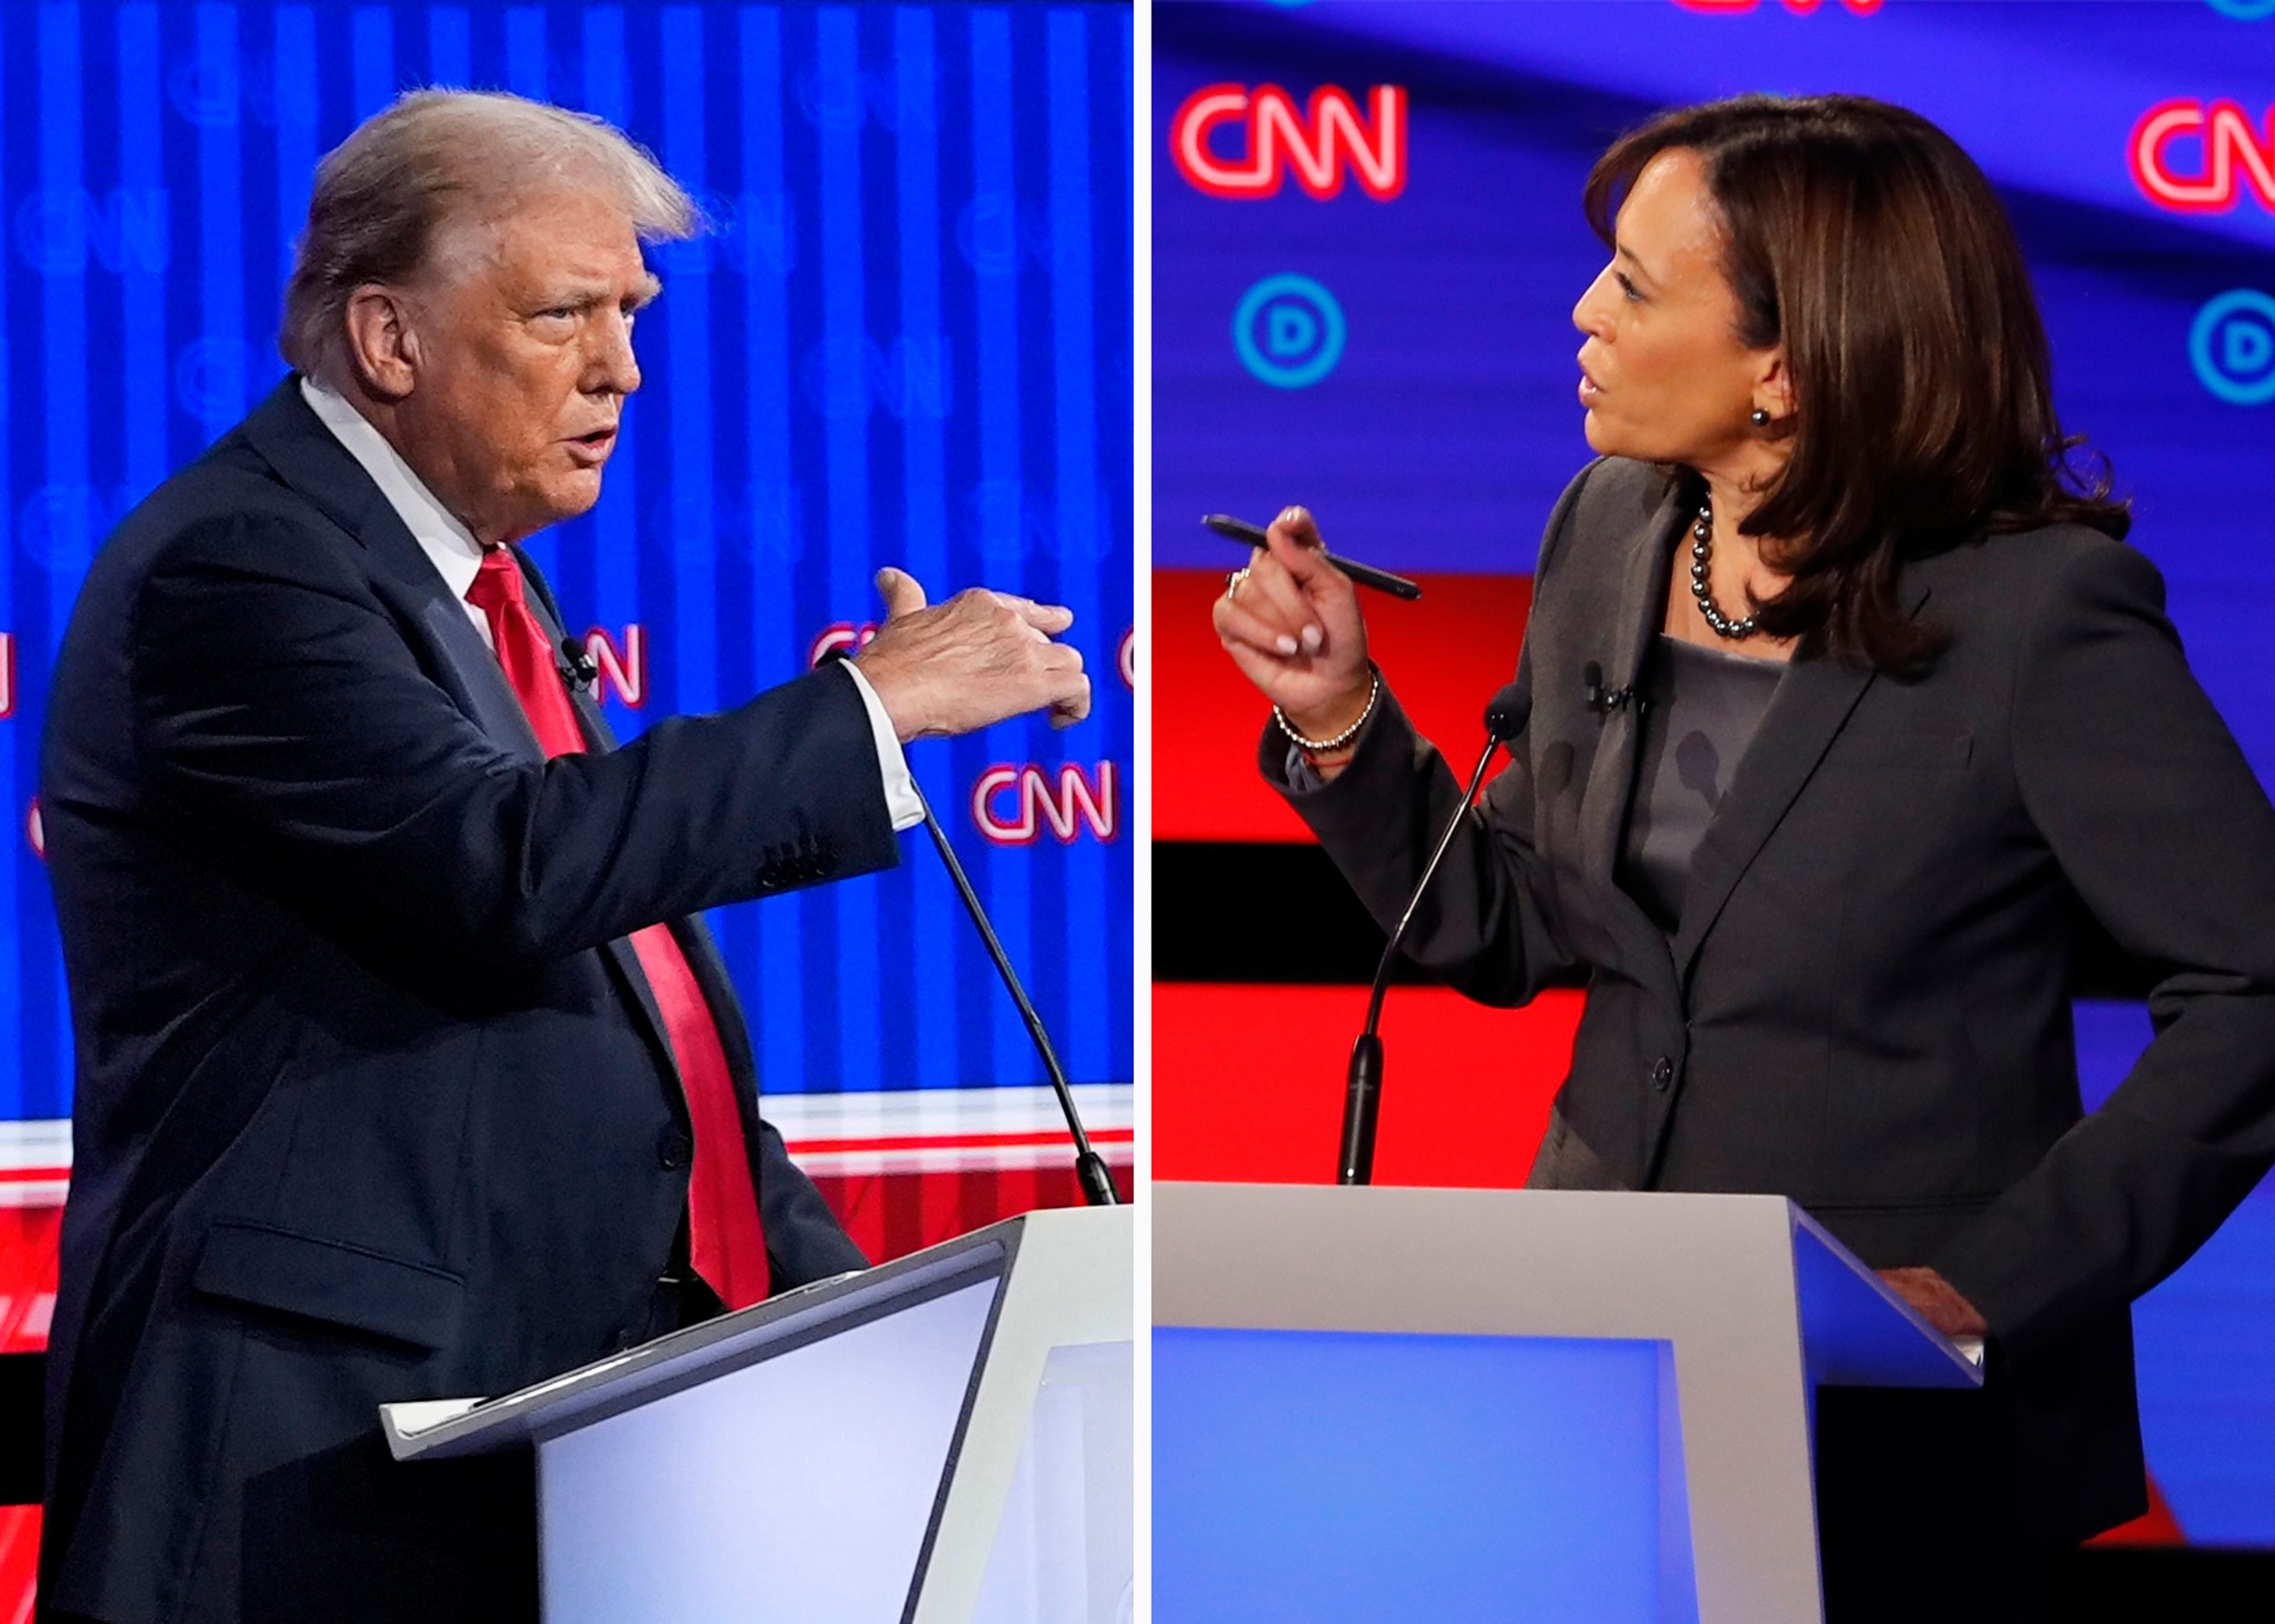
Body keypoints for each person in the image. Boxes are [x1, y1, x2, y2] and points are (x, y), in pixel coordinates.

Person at [1216, 94, 2275, 1619]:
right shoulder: (1611, 527)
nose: (1582, 310)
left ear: (1788, 363)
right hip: (1596, 1373)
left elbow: (2255, 989)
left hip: (1896, 1423)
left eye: (1637, 286)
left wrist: (1987, 1289)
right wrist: (1340, 724)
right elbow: (1508, 929)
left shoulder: (2044, 620)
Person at [37, 91, 1089, 1624]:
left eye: (630, 314)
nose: (620, 370)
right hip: (310, 1460)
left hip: (534, 1439)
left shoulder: (473, 577)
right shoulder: (242, 563)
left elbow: (630, 1013)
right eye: (563, 315)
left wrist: (863, 1326)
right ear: (388, 339)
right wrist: (880, 699)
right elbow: (503, 865)